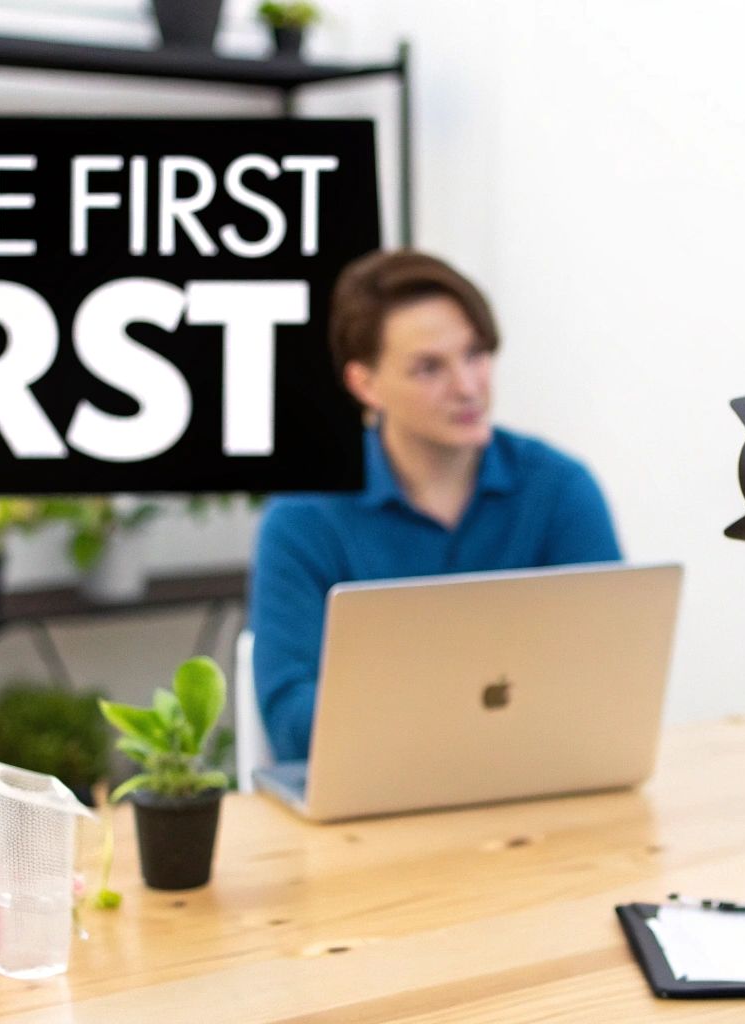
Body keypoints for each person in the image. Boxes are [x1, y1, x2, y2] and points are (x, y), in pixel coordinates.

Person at [247, 250, 623, 763]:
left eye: (474, 355)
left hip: (535, 775)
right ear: (365, 384)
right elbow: (290, 720)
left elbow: (612, 675)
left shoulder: (559, 488)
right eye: (429, 369)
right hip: (377, 796)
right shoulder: (303, 520)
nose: (467, 387)